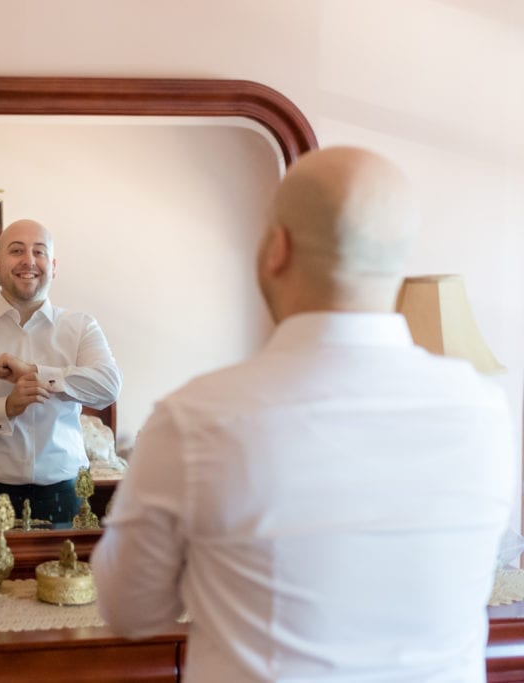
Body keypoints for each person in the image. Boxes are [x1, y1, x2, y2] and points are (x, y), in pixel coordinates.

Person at [92, 147, 514, 682]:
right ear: (394, 258)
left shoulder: (196, 420)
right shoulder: (486, 413)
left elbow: (130, 611)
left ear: (277, 248)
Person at [0, 218, 122, 526]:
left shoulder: (81, 327)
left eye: (39, 251)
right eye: (16, 250)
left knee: (67, 577)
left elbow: (108, 386)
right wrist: (5, 408)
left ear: (54, 265)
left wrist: (36, 374)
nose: (29, 261)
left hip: (66, 491)